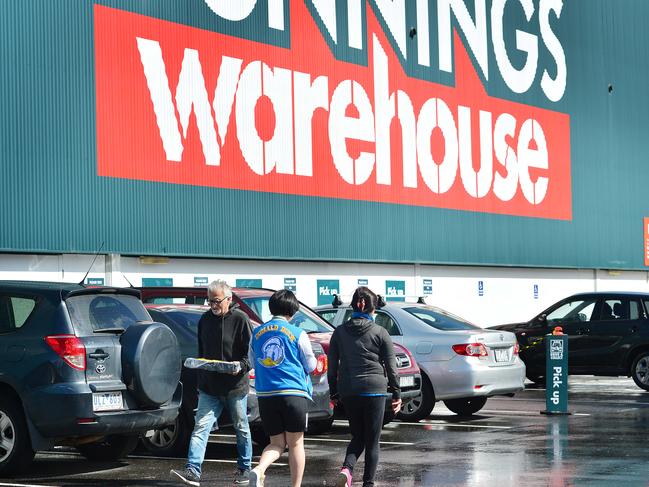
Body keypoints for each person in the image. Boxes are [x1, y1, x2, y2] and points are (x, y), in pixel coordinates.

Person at [171, 280, 253, 486]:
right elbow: (202, 353)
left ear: (229, 299)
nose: (213, 306)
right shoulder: (205, 320)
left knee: (241, 427)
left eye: (217, 301)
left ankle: (245, 469)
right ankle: (193, 470)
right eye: (210, 301)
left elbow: (251, 354)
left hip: (235, 387)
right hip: (209, 387)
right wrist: (200, 378)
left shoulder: (241, 320)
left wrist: (240, 365)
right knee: (201, 427)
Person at [327, 286, 401, 487]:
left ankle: (347, 469)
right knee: (372, 440)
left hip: (349, 389)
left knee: (358, 435)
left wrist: (333, 392)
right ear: (372, 310)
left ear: (353, 307)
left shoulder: (339, 332)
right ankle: (368, 483)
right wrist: (396, 393)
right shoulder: (380, 332)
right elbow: (391, 367)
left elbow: (332, 366)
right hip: (375, 389)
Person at [247, 289, 317, 487]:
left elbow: (252, 361)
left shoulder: (257, 332)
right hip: (293, 394)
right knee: (295, 443)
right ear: (292, 311)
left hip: (266, 395)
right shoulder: (298, 333)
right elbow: (310, 365)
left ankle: (259, 470)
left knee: (276, 443)